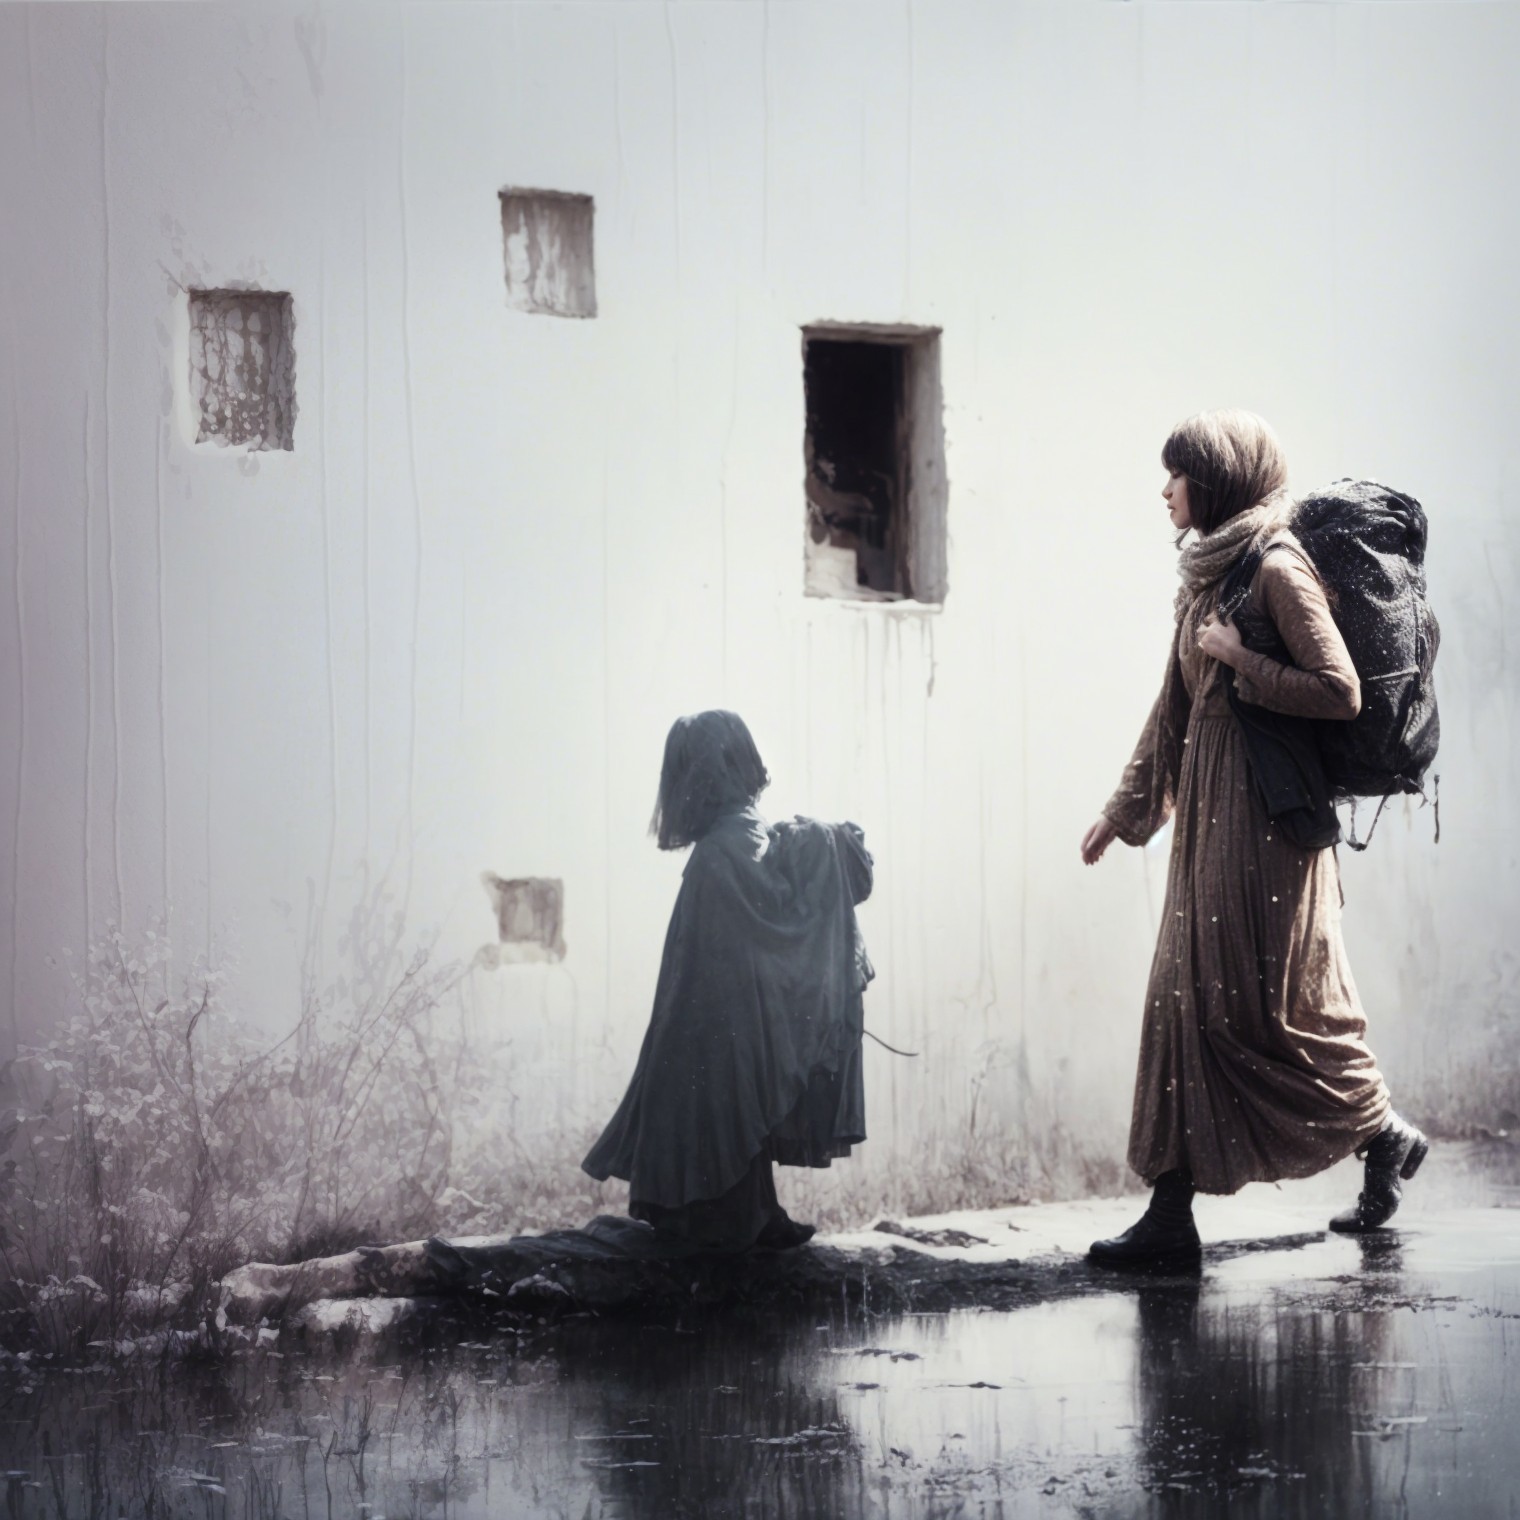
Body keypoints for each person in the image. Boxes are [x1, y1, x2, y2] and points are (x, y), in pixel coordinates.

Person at [1080, 410, 1427, 1265]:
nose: (1165, 491)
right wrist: (1123, 814)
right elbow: (1173, 709)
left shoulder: (1274, 567)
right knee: (1185, 1001)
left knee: (1268, 1013)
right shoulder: (1205, 576)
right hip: (1207, 820)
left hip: (1269, 828)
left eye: (1178, 476)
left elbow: (1339, 690)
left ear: (1219, 482)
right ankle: (1170, 1219)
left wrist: (1244, 664)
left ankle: (1379, 1134)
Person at [583, 710, 874, 1252]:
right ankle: (745, 1214)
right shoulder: (738, 837)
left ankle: (741, 1215)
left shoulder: (724, 847)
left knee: (718, 1081)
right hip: (729, 1012)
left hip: (722, 1014)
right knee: (729, 1085)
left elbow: (751, 935)